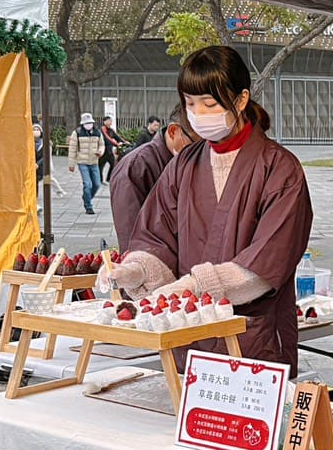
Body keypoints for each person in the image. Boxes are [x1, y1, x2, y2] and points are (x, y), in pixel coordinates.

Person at [107, 47, 313, 367]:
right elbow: (157, 237)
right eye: (190, 104)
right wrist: (136, 270)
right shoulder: (183, 164)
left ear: (241, 100)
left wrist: (195, 285)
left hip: (252, 338)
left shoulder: (280, 169)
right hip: (189, 334)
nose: (198, 113)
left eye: (209, 103)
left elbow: (268, 261)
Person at [110, 110, 199, 247]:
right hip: (155, 255)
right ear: (173, 131)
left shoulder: (188, 163)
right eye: (196, 144)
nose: (201, 151)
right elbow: (131, 233)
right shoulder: (136, 167)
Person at [67, 112, 104, 215]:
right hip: (82, 162)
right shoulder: (77, 132)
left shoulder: (97, 132)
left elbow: (102, 145)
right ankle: (88, 206)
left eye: (90, 123)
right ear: (82, 124)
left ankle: (87, 197)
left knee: (97, 184)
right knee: (87, 184)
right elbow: (72, 149)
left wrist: (100, 152)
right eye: (86, 123)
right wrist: (71, 164)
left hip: (94, 161)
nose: (88, 125)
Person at [99, 115, 126, 180]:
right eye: (109, 121)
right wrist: (117, 144)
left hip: (109, 151)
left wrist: (124, 142)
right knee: (100, 166)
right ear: (104, 122)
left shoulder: (111, 130)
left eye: (111, 121)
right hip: (103, 151)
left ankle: (109, 178)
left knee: (113, 165)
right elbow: (107, 139)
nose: (110, 122)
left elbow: (117, 137)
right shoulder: (102, 129)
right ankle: (100, 180)